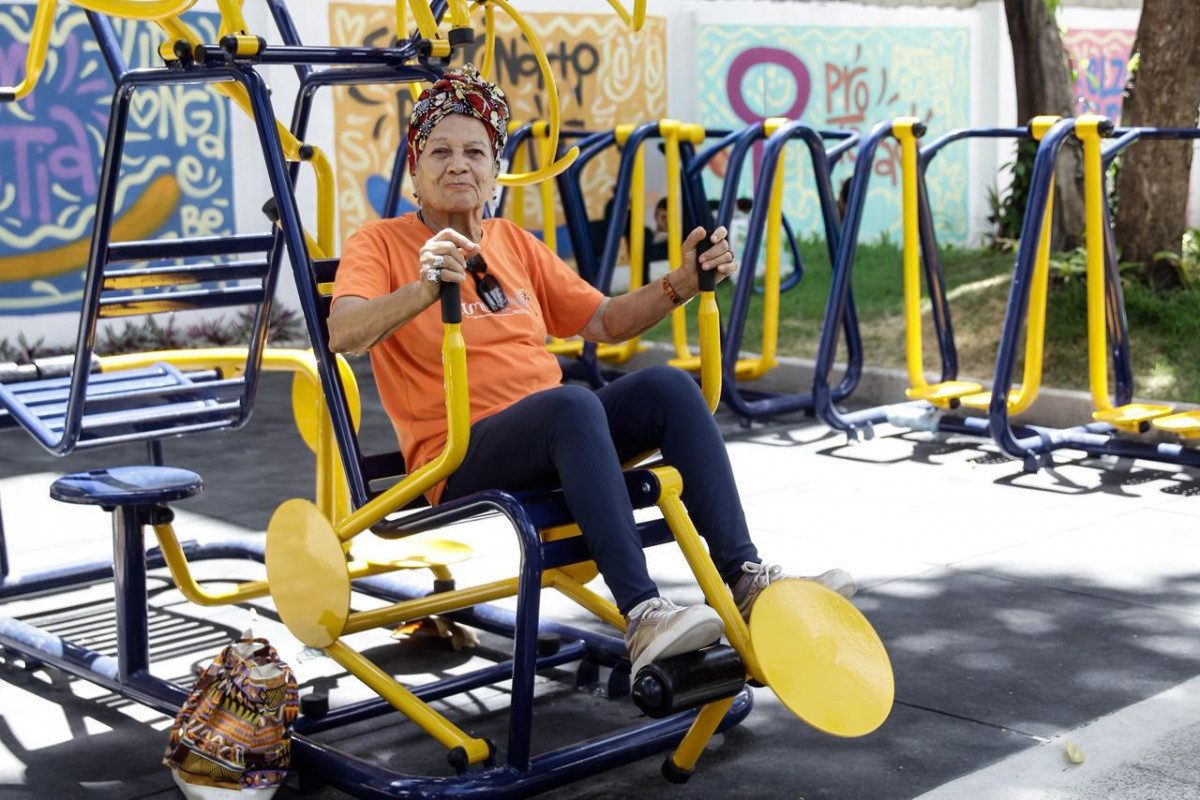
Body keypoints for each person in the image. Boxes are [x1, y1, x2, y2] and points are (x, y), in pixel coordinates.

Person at [328, 66, 855, 675]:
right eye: (439, 152)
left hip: (554, 431)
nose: (458, 165)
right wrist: (422, 289)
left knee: (667, 386)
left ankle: (745, 577)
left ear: (494, 171)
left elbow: (604, 320)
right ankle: (642, 615)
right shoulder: (383, 242)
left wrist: (683, 283)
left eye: (474, 151)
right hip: (459, 454)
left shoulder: (513, 242)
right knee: (572, 403)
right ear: (414, 174)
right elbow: (345, 331)